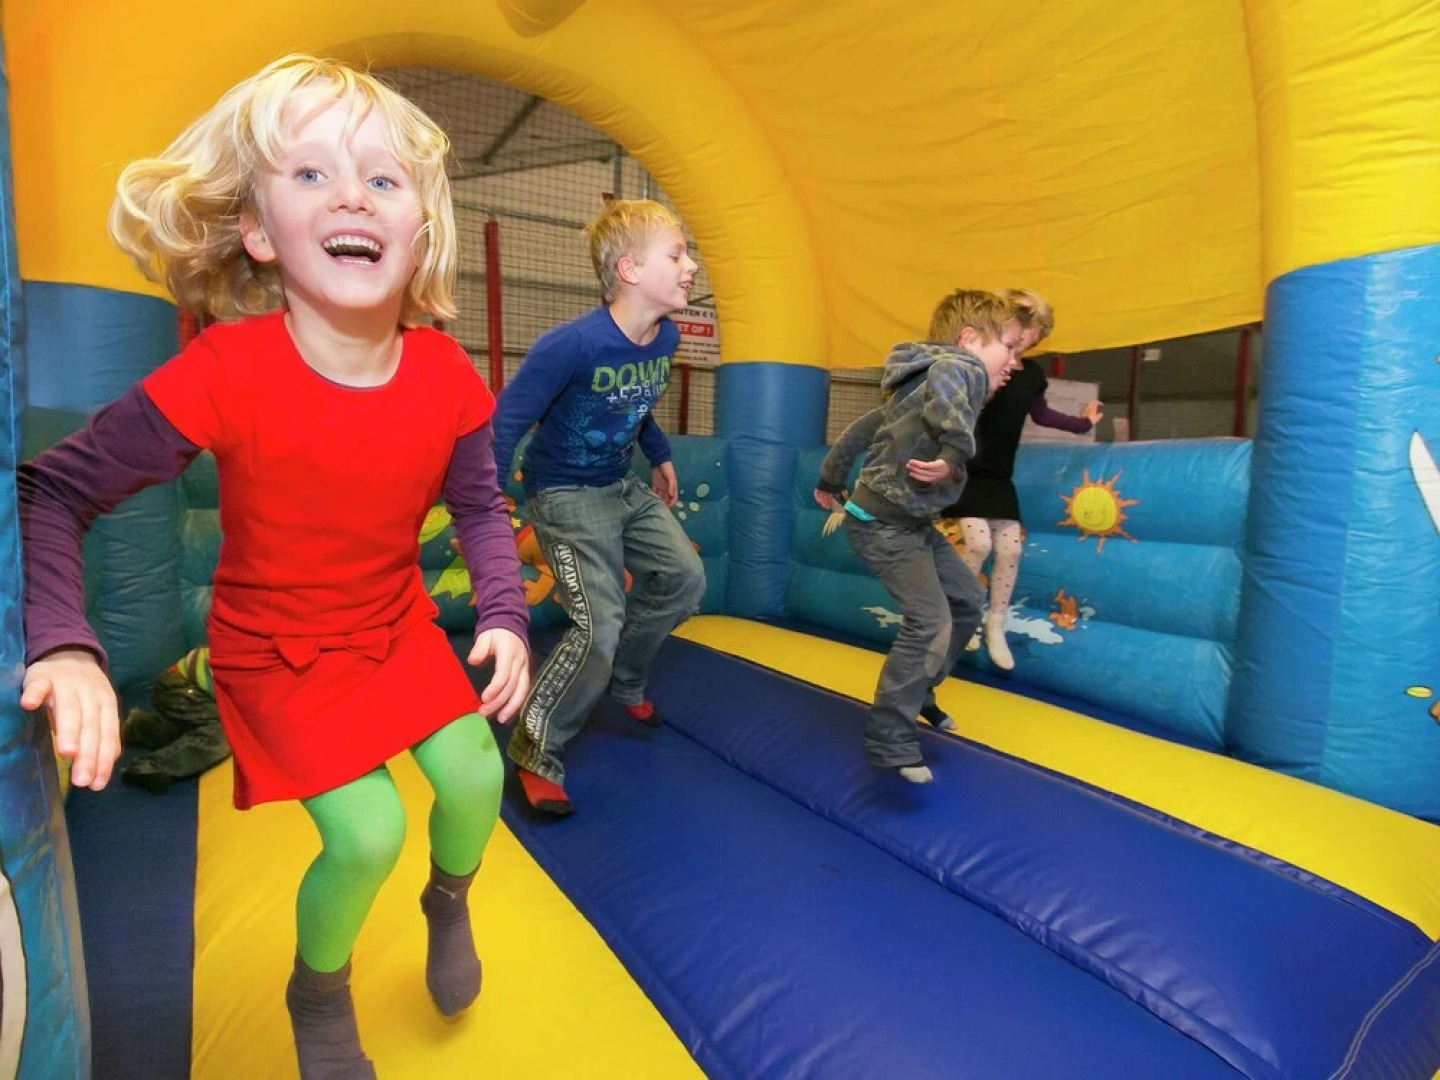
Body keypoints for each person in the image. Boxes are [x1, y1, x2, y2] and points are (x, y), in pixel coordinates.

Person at [16, 55, 530, 1078]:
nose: (351, 195)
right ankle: (320, 989)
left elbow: (477, 499)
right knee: (368, 832)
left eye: (382, 180)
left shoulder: (439, 369)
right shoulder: (227, 371)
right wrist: (66, 642)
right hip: (278, 650)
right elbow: (52, 490)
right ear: (258, 230)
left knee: (477, 775)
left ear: (418, 228)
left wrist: (506, 613)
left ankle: (449, 900)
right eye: (310, 175)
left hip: (391, 627)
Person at [492, 198, 707, 817]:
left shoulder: (662, 337)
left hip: (621, 485)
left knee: (685, 579)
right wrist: (491, 496)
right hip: (564, 493)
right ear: (631, 270)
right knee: (599, 625)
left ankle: (626, 681)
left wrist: (660, 454)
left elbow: (637, 407)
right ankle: (536, 751)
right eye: (677, 254)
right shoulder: (571, 346)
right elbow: (508, 421)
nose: (691, 266)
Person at [814, 289, 1022, 782]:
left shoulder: (920, 383)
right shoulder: (959, 370)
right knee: (928, 620)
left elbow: (862, 428)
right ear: (969, 339)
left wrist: (829, 478)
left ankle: (921, 688)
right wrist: (953, 453)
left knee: (968, 600)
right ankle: (889, 737)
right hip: (884, 527)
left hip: (908, 524)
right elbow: (951, 414)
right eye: (1010, 348)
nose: (1014, 363)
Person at [944, 289, 1102, 670]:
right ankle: (959, 617)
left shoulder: (1030, 376)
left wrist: (1084, 423)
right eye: (1016, 337)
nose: (1020, 351)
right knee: (978, 543)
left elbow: (1044, 416)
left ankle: (995, 623)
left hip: (998, 476)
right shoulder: (980, 365)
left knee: (1011, 550)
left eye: (1030, 339)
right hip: (966, 470)